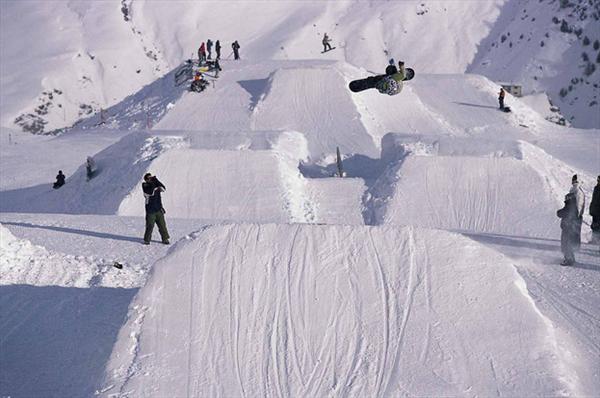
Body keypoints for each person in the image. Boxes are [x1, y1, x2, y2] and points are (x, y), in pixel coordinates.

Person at [142, 172, 170, 245]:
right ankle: (147, 240)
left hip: (159, 209)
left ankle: (165, 239)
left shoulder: (155, 184)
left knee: (162, 225)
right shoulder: (145, 185)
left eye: (151, 178)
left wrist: (156, 180)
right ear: (146, 179)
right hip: (150, 210)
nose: (151, 179)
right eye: (149, 178)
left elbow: (163, 188)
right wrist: (154, 183)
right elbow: (151, 192)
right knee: (150, 226)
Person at [557, 192, 579, 266]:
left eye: (567, 198)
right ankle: (570, 258)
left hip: (568, 228)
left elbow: (562, 213)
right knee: (566, 243)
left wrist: (559, 212)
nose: (566, 199)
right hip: (568, 228)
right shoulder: (570, 205)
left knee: (566, 244)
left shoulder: (570, 206)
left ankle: (569, 259)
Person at [570, 174, 586, 249]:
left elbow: (579, 204)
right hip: (572, 214)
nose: (573, 181)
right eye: (573, 179)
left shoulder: (578, 191)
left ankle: (575, 247)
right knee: (572, 231)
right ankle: (572, 245)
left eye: (574, 179)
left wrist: (576, 214)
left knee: (575, 231)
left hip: (576, 215)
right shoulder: (573, 189)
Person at [590, 175, 600, 244]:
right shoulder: (596, 188)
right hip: (595, 211)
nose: (598, 181)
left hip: (598, 211)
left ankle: (597, 240)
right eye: (598, 180)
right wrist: (591, 209)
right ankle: (594, 240)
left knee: (598, 226)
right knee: (594, 225)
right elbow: (594, 200)